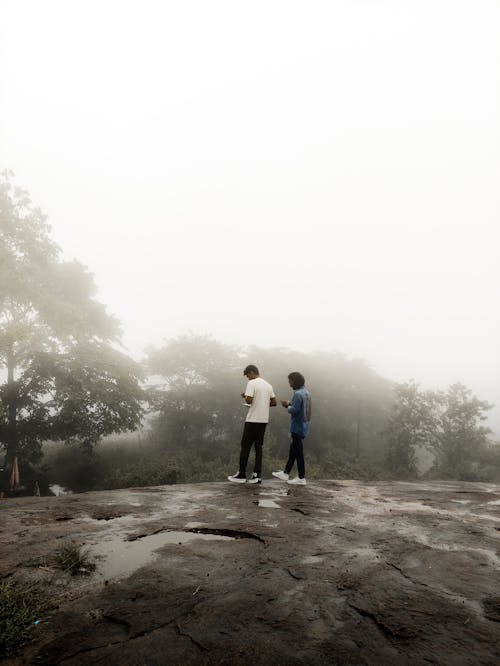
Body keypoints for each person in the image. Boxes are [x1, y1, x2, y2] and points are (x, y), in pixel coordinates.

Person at [228, 365, 276, 484]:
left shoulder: (252, 383)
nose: (248, 378)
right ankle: (257, 475)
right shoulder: (268, 385)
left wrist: (245, 396)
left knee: (245, 446)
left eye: (248, 375)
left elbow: (249, 400)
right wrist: (262, 403)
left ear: (252, 372)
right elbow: (274, 402)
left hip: (252, 420)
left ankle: (242, 474)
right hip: (263, 420)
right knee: (258, 448)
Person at [272, 371, 311, 485]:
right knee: (293, 450)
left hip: (297, 426)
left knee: (298, 452)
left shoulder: (298, 394)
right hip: (304, 425)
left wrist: (287, 405)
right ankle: (286, 473)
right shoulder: (306, 392)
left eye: (290, 381)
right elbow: (302, 408)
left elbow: (294, 410)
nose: (289, 384)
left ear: (295, 381)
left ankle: (301, 477)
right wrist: (291, 403)